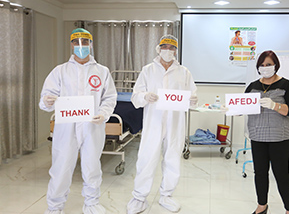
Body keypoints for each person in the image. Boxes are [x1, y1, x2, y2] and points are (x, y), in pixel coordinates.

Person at [39, 28, 117, 214]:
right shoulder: (60, 71)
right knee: (61, 167)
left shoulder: (102, 71)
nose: (81, 45)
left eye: (85, 41)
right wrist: (47, 100)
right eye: (76, 42)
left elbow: (110, 97)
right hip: (66, 128)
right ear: (71, 45)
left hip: (92, 126)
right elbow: (45, 99)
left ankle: (91, 202)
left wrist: (104, 114)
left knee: (92, 166)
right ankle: (55, 207)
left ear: (91, 44)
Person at [127, 35, 198, 214]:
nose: (168, 50)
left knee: (173, 157)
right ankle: (139, 197)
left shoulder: (184, 72)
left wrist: (192, 99)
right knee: (147, 158)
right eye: (164, 46)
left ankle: (166, 195)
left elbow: (192, 96)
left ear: (175, 50)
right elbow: (135, 97)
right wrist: (145, 96)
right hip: (154, 121)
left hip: (175, 122)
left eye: (172, 47)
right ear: (159, 49)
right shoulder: (148, 70)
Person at [245, 50, 289, 214]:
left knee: (282, 174)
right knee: (260, 172)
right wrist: (230, 108)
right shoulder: (253, 86)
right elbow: (243, 105)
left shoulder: (286, 85)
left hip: (280, 137)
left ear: (276, 65)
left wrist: (275, 106)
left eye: (268, 64)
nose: (265, 68)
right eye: (261, 65)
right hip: (257, 135)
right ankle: (262, 205)